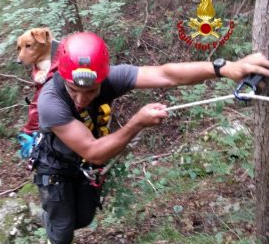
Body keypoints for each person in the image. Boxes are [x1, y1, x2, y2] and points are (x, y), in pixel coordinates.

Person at [31, 32, 269, 244]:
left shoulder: (110, 78)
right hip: (55, 169)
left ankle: (55, 215)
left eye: (91, 92)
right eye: (74, 91)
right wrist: (136, 123)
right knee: (62, 233)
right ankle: (52, 221)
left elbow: (166, 75)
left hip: (83, 165)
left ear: (102, 79)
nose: (82, 100)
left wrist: (223, 68)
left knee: (83, 217)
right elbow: (93, 150)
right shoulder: (51, 101)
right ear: (63, 78)